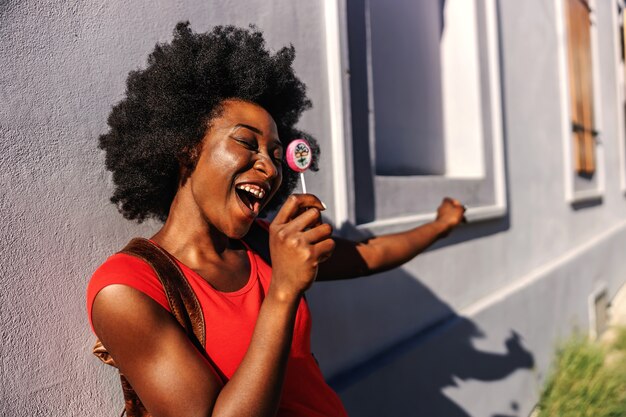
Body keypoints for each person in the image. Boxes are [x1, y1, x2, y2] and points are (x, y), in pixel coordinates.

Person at [87, 22, 466, 417]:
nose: (269, 167)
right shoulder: (127, 290)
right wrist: (283, 291)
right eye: (247, 142)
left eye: (276, 152)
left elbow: (369, 254)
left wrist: (441, 224)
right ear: (187, 148)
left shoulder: (263, 244)